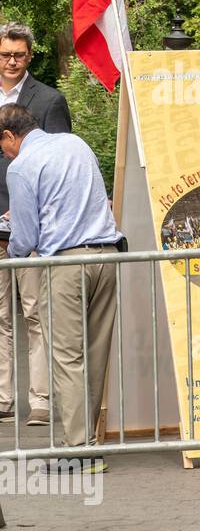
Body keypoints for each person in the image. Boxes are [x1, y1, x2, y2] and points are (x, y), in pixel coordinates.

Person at [0, 104, 120, 470]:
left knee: (67, 357)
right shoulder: (76, 144)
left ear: (9, 136)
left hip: (66, 265)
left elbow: (27, 236)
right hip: (108, 257)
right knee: (95, 355)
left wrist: (11, 242)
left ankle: (79, 450)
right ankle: (90, 445)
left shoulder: (20, 167)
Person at [0, 23, 68, 426]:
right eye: (5, 54)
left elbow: (58, 162)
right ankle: (2, 397)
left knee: (36, 314)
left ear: (30, 56)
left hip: (32, 227)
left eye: (19, 55)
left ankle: (40, 400)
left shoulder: (49, 100)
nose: (11, 61)